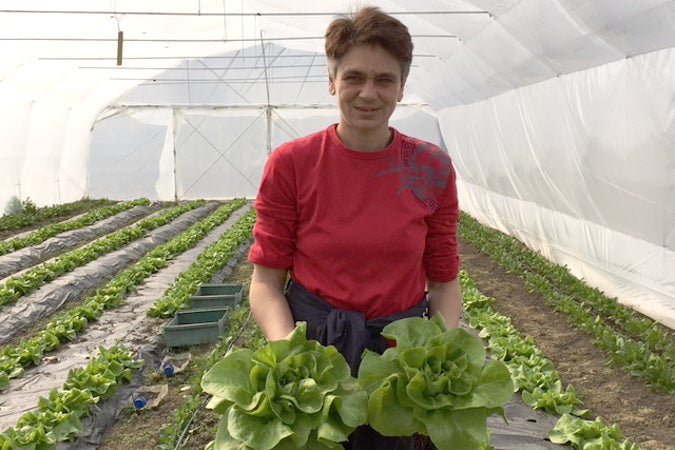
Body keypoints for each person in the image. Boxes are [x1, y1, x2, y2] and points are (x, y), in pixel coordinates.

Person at [248, 6, 461, 449]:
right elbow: (266, 282)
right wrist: (293, 357)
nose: (368, 93)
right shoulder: (293, 164)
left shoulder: (429, 168)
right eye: (354, 77)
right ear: (332, 82)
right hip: (316, 351)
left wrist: (435, 358)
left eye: (384, 79)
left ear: (401, 88)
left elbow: (443, 282)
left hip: (399, 357)